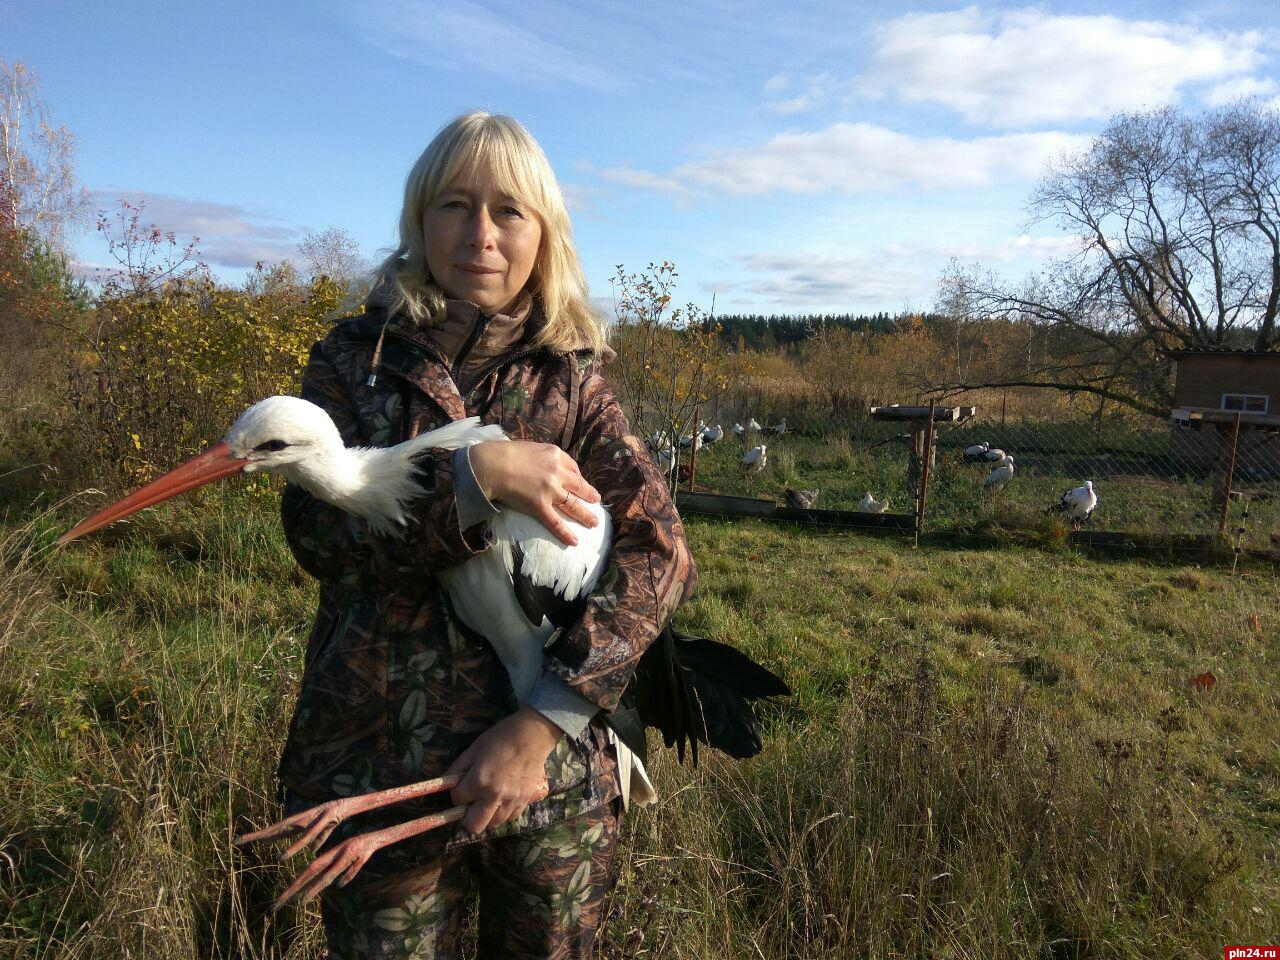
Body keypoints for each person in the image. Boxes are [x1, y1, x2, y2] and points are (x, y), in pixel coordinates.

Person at [276, 111, 697, 958]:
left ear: (543, 233)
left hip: (554, 785)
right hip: (376, 773)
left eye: (510, 211)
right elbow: (317, 536)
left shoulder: (575, 385)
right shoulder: (352, 365)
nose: (481, 235)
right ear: (417, 222)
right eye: (454, 206)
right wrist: (473, 482)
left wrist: (542, 725)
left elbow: (662, 555)